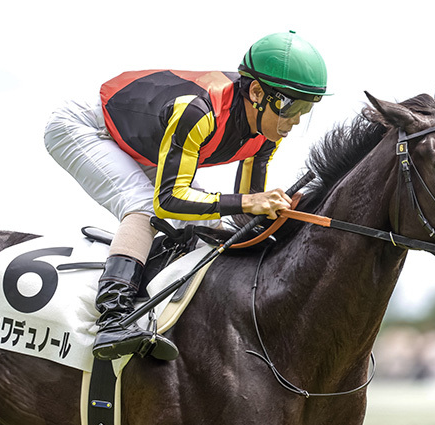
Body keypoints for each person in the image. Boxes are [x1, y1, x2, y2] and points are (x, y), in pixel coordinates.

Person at [44, 31, 329, 362]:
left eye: (306, 108)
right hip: (85, 126)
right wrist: (251, 203)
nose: (296, 120)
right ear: (256, 92)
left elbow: (245, 208)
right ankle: (113, 319)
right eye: (292, 106)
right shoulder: (198, 111)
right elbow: (168, 201)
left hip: (141, 144)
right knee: (145, 207)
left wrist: (274, 214)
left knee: (197, 224)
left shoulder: (268, 132)